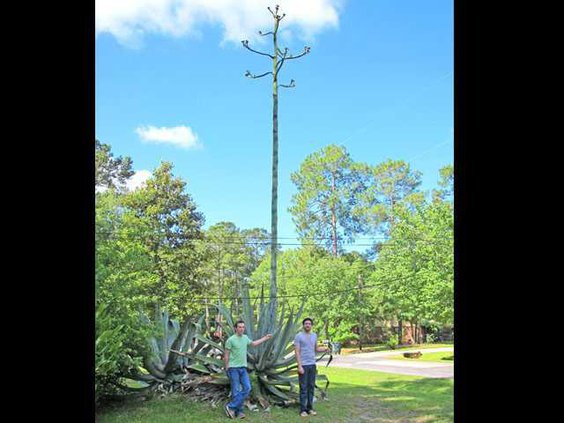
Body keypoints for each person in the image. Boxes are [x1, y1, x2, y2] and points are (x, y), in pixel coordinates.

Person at [224, 320, 272, 419]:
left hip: (243, 368)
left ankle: (231, 407)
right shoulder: (230, 340)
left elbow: (254, 344)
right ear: (235, 328)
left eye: (243, 327)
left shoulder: (245, 338)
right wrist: (227, 368)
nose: (242, 329)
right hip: (233, 368)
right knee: (236, 390)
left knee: (247, 388)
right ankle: (239, 411)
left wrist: (265, 338)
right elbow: (226, 355)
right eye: (240, 327)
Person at [294, 317, 329, 417]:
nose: (307, 325)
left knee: (311, 387)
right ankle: (303, 410)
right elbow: (297, 351)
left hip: (312, 365)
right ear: (303, 325)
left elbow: (316, 348)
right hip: (303, 365)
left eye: (309, 324)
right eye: (306, 324)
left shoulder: (314, 335)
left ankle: (310, 408)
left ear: (311, 325)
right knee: (303, 388)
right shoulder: (298, 336)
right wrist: (299, 366)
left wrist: (325, 349)